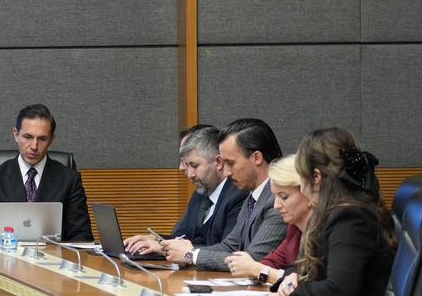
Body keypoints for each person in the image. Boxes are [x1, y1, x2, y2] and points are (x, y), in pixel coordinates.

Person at [272, 128, 395, 296]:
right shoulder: (337, 213)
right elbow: (310, 269)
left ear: (316, 177)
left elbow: (338, 290)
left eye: (301, 176)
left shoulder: (351, 219)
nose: (302, 188)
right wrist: (293, 276)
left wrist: (295, 290)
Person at [163, 117, 284, 271]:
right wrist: (186, 252)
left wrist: (191, 256)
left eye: (231, 163)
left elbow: (254, 259)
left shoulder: (278, 200)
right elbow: (229, 247)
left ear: (256, 158)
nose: (226, 172)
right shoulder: (252, 196)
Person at [0, 103, 92, 243]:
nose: (34, 146)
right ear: (16, 134)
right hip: (5, 254)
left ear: (51, 140)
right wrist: (15, 242)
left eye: (42, 139)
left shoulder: (69, 179)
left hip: (52, 255)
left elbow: (82, 235)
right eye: (28, 137)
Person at [126, 125, 246, 257]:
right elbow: (182, 237)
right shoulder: (200, 195)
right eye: (188, 165)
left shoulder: (238, 196)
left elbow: (227, 250)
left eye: (195, 166)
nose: (190, 174)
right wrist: (156, 239)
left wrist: (164, 248)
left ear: (218, 162)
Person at [226, 154, 309, 285]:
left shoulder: (329, 228)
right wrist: (255, 269)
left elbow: (312, 281)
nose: (276, 205)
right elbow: (275, 259)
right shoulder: (294, 227)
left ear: (308, 192)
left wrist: (260, 270)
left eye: (284, 197)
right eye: (275, 197)